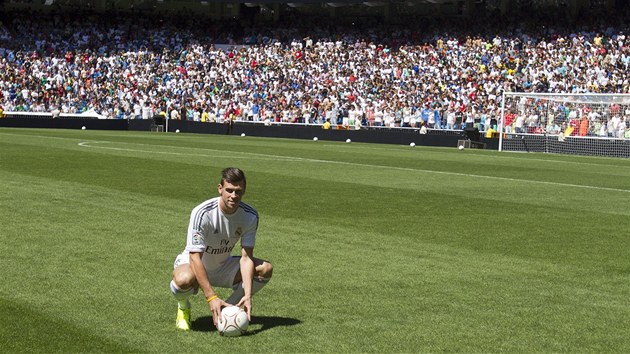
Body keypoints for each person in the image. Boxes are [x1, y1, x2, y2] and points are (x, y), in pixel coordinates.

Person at [169, 167, 273, 331]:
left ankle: (228, 309)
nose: (233, 196)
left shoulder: (250, 215)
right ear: (220, 189)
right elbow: (195, 257)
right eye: (229, 190)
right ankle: (183, 307)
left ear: (244, 190)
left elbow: (246, 258)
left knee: (265, 269)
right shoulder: (202, 212)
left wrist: (247, 295)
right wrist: (211, 297)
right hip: (194, 265)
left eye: (238, 191)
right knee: (183, 280)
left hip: (222, 266)